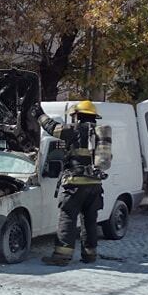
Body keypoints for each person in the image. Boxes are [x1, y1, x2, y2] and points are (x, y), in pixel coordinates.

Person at [32, 99, 108, 266]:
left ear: (77, 116)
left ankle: (61, 256)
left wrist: (39, 114)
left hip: (75, 184)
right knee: (90, 220)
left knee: (68, 218)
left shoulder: (73, 130)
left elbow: (52, 127)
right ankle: (90, 255)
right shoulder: (100, 134)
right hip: (95, 186)